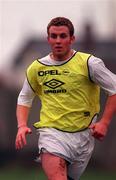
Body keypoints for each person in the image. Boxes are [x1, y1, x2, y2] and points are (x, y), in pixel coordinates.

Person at [15, 17, 116, 180]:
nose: (58, 41)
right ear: (48, 39)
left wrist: (104, 122)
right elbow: (24, 98)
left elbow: (114, 90)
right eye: (53, 36)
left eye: (63, 36)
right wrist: (21, 126)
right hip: (51, 133)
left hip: (84, 136)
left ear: (72, 39)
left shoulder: (89, 63)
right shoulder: (37, 68)